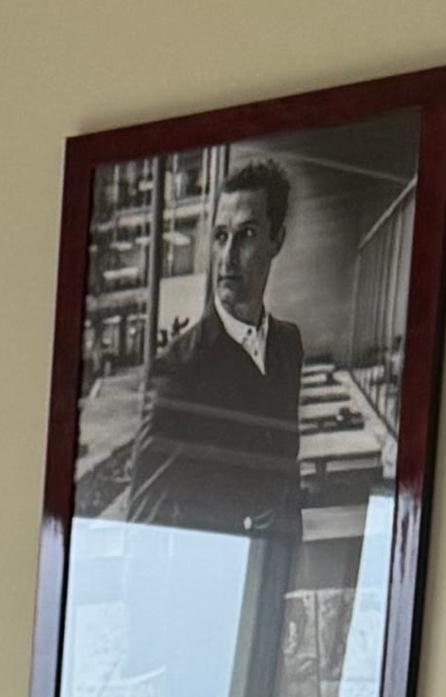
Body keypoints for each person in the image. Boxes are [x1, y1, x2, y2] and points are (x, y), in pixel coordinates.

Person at [101, 155, 306, 536]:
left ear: (276, 239)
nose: (227, 258)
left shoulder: (288, 345)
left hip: (275, 569)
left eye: (246, 235)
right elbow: (144, 523)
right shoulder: (179, 369)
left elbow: (286, 470)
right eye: (220, 236)